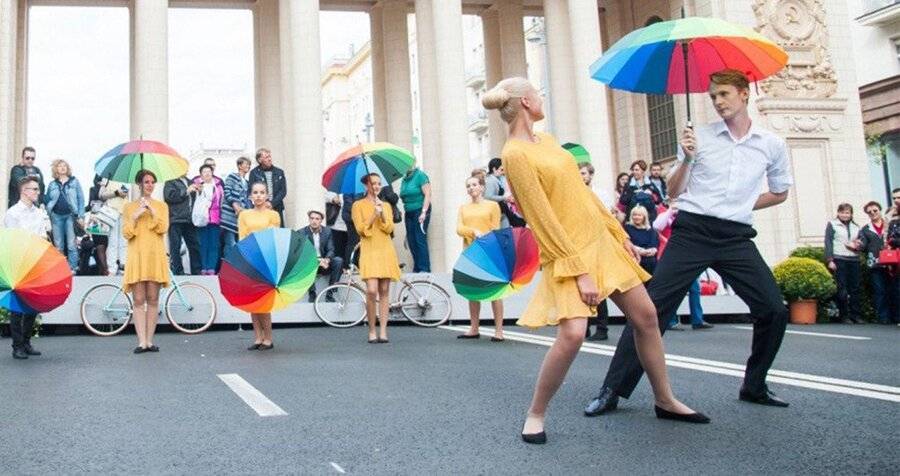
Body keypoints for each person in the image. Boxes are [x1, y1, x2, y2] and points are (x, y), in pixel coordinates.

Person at [483, 77, 706, 445]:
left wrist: (621, 238)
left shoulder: (550, 142)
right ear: (525, 102)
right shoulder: (514, 154)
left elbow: (583, 197)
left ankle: (665, 399)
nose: (542, 100)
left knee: (647, 317)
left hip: (601, 240)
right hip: (568, 251)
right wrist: (580, 270)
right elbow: (541, 218)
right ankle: (536, 413)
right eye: (538, 94)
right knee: (572, 334)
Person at [586, 69, 795, 417]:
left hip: (736, 237)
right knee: (650, 311)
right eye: (713, 96)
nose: (717, 102)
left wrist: (742, 204)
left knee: (773, 309)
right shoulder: (699, 137)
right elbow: (673, 192)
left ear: (744, 94)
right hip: (692, 231)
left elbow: (779, 192)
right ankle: (612, 390)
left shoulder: (770, 144)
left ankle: (754, 385)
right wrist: (687, 157)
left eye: (724, 94)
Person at [122, 170, 170, 354]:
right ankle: (141, 341)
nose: (149, 185)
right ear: (139, 184)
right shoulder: (129, 207)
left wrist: (151, 211)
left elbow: (163, 228)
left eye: (152, 182)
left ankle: (150, 341)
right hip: (136, 254)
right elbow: (126, 233)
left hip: (154, 254)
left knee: (153, 298)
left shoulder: (162, 206)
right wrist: (135, 216)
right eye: (146, 182)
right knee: (138, 299)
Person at [4, 177, 50, 359]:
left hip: (34, 260)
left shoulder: (39, 213)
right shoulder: (13, 213)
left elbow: (42, 234)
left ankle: (26, 341)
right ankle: (17, 345)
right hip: (18, 261)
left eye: (37, 189)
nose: (37, 193)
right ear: (24, 191)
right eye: (34, 189)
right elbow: (12, 239)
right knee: (17, 306)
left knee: (32, 304)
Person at [352, 173, 401, 344]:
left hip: (385, 248)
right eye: (373, 183)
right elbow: (361, 230)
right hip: (369, 249)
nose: (377, 186)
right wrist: (373, 214)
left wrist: (382, 213)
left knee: (385, 290)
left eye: (379, 183)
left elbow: (389, 228)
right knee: (372, 290)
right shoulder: (357, 205)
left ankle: (383, 331)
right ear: (366, 185)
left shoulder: (385, 205)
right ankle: (372, 329)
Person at [455, 173, 504, 341]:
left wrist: (485, 236)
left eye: (474, 185)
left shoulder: (492, 206)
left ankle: (499, 331)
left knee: (494, 291)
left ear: (482, 187)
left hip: (489, 251)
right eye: (468, 186)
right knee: (472, 290)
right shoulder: (464, 208)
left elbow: (496, 228)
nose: (471, 188)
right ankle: (474, 328)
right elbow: (459, 228)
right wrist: (472, 231)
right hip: (470, 252)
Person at [652, 206, 713, 331]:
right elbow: (657, 226)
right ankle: (670, 320)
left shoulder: (689, 215)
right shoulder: (665, 214)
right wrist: (670, 211)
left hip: (687, 254)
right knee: (672, 289)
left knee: (695, 289)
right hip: (668, 254)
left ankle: (697, 319)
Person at [239, 182, 282, 350]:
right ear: (250, 196)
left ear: (267, 196)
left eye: (262, 192)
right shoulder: (244, 215)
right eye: (255, 192)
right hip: (249, 258)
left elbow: (272, 236)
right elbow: (242, 237)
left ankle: (268, 338)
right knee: (252, 300)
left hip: (266, 259)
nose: (258, 195)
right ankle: (257, 337)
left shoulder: (274, 215)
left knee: (263, 300)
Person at [580, 163, 612, 341]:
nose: (581, 176)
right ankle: (584, 326)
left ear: (591, 175)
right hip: (581, 242)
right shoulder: (573, 194)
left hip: (598, 242)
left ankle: (602, 327)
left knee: (599, 287)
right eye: (579, 173)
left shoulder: (601, 194)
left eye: (584, 173)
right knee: (581, 287)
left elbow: (606, 217)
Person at [858, 201, 899, 324]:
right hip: (875, 263)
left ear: (880, 210)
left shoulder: (891, 224)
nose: (873, 213)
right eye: (869, 212)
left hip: (893, 263)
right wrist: (858, 245)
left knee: (895, 290)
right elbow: (863, 245)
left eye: (875, 210)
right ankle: (883, 317)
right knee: (880, 291)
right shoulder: (865, 229)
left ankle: (896, 316)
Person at [824, 203, 863, 324]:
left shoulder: (856, 226)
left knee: (855, 288)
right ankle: (844, 315)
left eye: (847, 212)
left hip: (854, 259)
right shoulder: (832, 224)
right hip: (839, 258)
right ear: (838, 213)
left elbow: (861, 241)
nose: (845, 215)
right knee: (842, 288)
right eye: (842, 212)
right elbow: (828, 242)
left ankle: (856, 315)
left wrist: (858, 245)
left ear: (851, 214)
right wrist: (830, 260)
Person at [45, 159, 85, 271]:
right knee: (58, 245)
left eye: (64, 166)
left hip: (70, 216)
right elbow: (47, 199)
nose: (62, 167)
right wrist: (48, 210)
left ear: (67, 169)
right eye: (60, 166)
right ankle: (60, 269)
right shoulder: (52, 184)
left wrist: (81, 216)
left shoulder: (74, 182)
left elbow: (81, 199)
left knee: (71, 243)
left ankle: (72, 267)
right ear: (56, 169)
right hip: (56, 216)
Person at [298, 210, 344, 302]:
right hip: (310, 264)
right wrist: (318, 261)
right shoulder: (301, 232)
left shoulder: (327, 231)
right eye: (312, 218)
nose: (314, 221)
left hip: (324, 263)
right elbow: (302, 253)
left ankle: (330, 293)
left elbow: (331, 249)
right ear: (309, 219)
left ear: (321, 220)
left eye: (317, 219)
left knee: (338, 261)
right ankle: (312, 293)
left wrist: (326, 259)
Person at [163, 174, 201, 275]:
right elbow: (169, 197)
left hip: (189, 219)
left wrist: (198, 191)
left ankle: (196, 271)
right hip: (176, 219)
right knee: (175, 246)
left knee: (195, 245)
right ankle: (178, 271)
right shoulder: (170, 182)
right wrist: (186, 191)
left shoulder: (190, 181)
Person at [400, 166, 432, 273]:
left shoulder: (420, 175)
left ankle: (424, 268)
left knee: (419, 238)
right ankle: (417, 266)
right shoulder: (404, 179)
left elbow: (427, 194)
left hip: (420, 209)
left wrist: (424, 212)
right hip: (409, 211)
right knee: (411, 240)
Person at [193, 164, 224, 275]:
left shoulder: (218, 186)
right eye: (204, 172)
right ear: (201, 175)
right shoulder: (197, 186)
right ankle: (204, 267)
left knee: (214, 244)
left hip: (215, 219)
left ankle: (211, 267)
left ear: (212, 173)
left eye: (209, 171)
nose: (207, 173)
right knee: (203, 243)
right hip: (202, 219)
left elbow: (221, 202)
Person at [248, 148, 287, 226]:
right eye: (266, 157)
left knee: (278, 234)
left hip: (277, 208)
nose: (269, 159)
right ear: (259, 160)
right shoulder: (254, 173)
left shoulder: (279, 172)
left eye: (269, 156)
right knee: (263, 234)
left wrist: (272, 203)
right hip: (260, 209)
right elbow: (251, 191)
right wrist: (263, 203)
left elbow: (283, 191)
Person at [222, 157, 252, 256]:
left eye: (249, 164)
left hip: (242, 216)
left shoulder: (247, 183)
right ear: (239, 166)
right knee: (230, 243)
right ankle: (227, 266)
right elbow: (227, 191)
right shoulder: (232, 176)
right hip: (230, 216)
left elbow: (247, 199)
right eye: (246, 164)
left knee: (240, 243)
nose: (248, 166)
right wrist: (235, 204)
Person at [624, 205, 659, 274]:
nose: (636, 217)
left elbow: (654, 246)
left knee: (651, 261)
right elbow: (627, 243)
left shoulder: (650, 230)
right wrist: (641, 251)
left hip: (649, 258)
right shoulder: (627, 227)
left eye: (639, 215)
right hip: (633, 256)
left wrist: (649, 251)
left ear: (644, 217)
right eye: (634, 215)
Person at [86, 175, 110, 275]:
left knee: (100, 246)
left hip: (96, 219)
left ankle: (104, 270)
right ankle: (106, 270)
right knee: (106, 246)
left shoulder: (93, 189)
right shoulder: (109, 188)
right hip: (108, 218)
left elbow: (90, 205)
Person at [325, 192, 349, 268]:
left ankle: (346, 268)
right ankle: (338, 268)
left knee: (348, 250)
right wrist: (333, 198)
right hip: (336, 226)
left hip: (350, 226)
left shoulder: (354, 192)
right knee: (337, 250)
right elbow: (324, 196)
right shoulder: (336, 188)